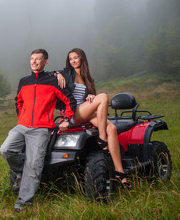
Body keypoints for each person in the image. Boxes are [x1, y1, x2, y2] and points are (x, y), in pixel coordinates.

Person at [0, 49, 76, 212]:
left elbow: (70, 100)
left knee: (34, 164)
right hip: (22, 126)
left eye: (38, 59)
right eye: (32, 59)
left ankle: (23, 203)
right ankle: (21, 172)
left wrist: (66, 119)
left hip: (41, 129)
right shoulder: (24, 81)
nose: (34, 62)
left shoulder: (53, 81)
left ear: (45, 62)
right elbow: (18, 101)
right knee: (6, 149)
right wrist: (22, 117)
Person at [53, 47, 130, 188]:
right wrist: (57, 74)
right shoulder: (66, 73)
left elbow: (90, 99)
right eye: (70, 59)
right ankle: (102, 138)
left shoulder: (87, 78)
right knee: (104, 97)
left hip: (84, 112)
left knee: (112, 128)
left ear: (82, 58)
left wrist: (90, 96)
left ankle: (120, 173)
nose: (73, 61)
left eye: (75, 58)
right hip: (73, 112)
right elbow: (51, 74)